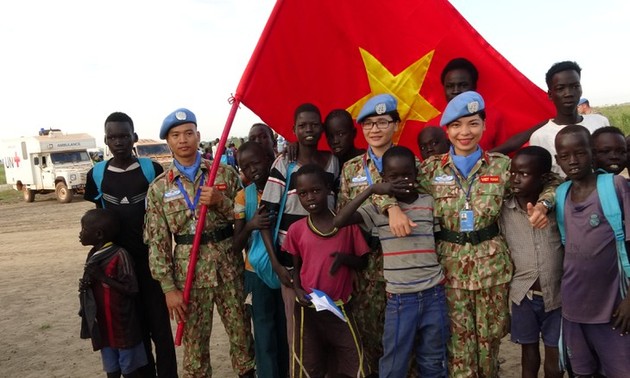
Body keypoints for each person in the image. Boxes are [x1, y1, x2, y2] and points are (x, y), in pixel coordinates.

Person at [383, 91, 556, 376]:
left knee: (489, 344)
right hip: (449, 270)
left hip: (492, 269)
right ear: (447, 130)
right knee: (458, 347)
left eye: (473, 123)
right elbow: (384, 186)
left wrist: (543, 204)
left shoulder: (502, 166)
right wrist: (392, 209)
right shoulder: (427, 170)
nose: (465, 132)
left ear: (484, 126)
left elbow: (552, 181)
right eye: (457, 125)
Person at [144, 108, 255, 378]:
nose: (183, 140)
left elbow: (246, 219)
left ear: (198, 136)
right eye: (176, 135)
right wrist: (168, 288)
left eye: (189, 133)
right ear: (168, 142)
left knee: (242, 336)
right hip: (189, 276)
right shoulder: (159, 187)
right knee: (195, 347)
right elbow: (157, 242)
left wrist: (222, 204)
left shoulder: (224, 174)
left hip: (228, 267)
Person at [334, 146, 449, 378]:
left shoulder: (429, 202)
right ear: (384, 179)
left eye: (407, 174)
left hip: (434, 296)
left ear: (416, 175)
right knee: (394, 363)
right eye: (393, 177)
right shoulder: (378, 210)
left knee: (433, 361)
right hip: (400, 299)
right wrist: (371, 190)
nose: (401, 181)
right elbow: (338, 221)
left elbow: (436, 240)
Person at [83, 111, 177, 378]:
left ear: (134, 137)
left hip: (151, 265)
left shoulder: (152, 170)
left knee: (160, 329)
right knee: (132, 331)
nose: (119, 141)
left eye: (124, 135)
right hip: (118, 270)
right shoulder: (96, 175)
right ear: (106, 140)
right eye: (113, 136)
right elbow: (97, 220)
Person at [259, 103, 339, 373]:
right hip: (292, 266)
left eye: (314, 125)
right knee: (298, 334)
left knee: (329, 332)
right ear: (293, 130)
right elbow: (264, 219)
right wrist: (277, 265)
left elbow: (336, 207)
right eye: (303, 125)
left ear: (322, 129)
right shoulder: (283, 163)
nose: (309, 130)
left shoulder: (332, 163)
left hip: (326, 264)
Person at [554, 125, 630, 377]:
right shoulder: (561, 194)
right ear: (558, 160)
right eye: (565, 156)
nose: (573, 161)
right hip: (574, 307)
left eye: (581, 153)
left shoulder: (616, 186)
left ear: (593, 154)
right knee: (582, 371)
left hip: (614, 308)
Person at [338, 93, 406, 377]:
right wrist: (350, 263)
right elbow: (344, 218)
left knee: (403, 339)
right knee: (368, 339)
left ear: (395, 125)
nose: (375, 129)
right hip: (365, 267)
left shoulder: (407, 162)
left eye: (382, 122)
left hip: (402, 263)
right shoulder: (351, 168)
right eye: (368, 124)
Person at [284, 164, 369, 378]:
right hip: (309, 308)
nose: (310, 197)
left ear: (328, 189)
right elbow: (296, 267)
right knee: (309, 362)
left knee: (353, 361)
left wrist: (344, 259)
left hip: (340, 307)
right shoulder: (296, 230)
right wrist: (296, 288)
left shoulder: (347, 225)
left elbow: (362, 262)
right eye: (303, 193)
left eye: (316, 190)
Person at [499, 146, 563, 378]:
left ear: (543, 177)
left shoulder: (557, 205)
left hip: (557, 294)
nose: (515, 179)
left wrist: (545, 204)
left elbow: (558, 181)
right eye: (513, 172)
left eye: (524, 174)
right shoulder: (504, 209)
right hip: (523, 295)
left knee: (555, 354)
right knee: (528, 353)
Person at [233, 141, 289, 378]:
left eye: (256, 162)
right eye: (245, 167)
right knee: (264, 332)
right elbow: (235, 244)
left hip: (286, 268)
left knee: (287, 330)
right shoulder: (243, 198)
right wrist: (250, 226)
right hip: (256, 273)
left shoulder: (286, 188)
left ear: (270, 158)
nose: (252, 170)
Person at [78, 208, 147, 378]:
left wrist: (102, 277)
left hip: (122, 325)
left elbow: (131, 289)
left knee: (129, 369)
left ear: (99, 234)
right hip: (103, 325)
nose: (80, 234)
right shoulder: (93, 255)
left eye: (84, 229)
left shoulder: (119, 255)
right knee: (111, 369)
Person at [493, 61, 609, 160]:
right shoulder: (540, 136)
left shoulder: (600, 123)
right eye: (560, 88)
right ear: (550, 94)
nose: (568, 93)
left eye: (575, 86)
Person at [437, 57, 508, 150]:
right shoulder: (433, 126)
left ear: (474, 87)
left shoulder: (494, 117)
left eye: (463, 85)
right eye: (450, 86)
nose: (456, 91)